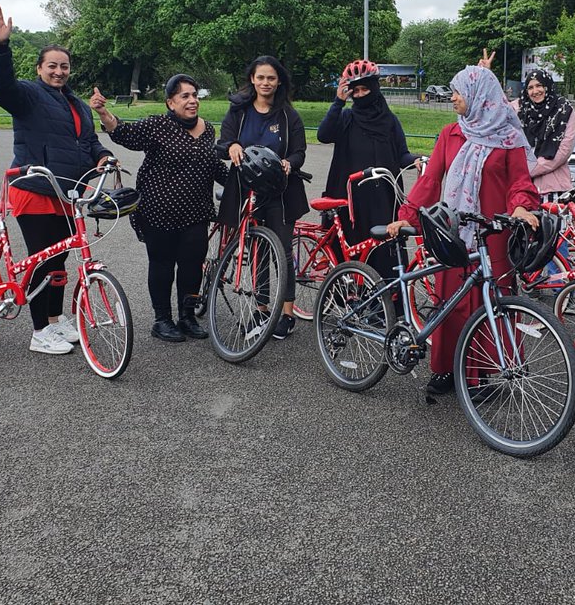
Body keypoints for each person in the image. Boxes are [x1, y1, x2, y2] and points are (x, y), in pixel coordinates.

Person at [387, 64, 541, 395]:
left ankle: (486, 372)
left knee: (493, 303)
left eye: (458, 91)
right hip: (453, 232)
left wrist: (520, 206)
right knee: (451, 301)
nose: (453, 97)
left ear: (478, 96)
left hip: (494, 234)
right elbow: (430, 181)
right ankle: (445, 369)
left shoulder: (508, 138)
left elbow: (520, 181)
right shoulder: (450, 133)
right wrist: (408, 217)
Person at [0, 5, 113, 356]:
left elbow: (87, 142)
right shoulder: (27, 94)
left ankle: (55, 320)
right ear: (40, 69)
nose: (59, 71)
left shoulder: (76, 104)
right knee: (43, 262)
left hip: (67, 193)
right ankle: (39, 331)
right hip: (35, 190)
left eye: (64, 66)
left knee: (58, 263)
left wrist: (102, 157)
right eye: (52, 66)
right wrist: (0, 48)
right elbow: (0, 87)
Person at [89, 74, 227, 343]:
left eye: (194, 95)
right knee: (162, 264)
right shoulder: (158, 125)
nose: (192, 101)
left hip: (196, 211)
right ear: (170, 102)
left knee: (191, 266)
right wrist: (103, 112)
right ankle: (162, 320)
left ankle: (187, 316)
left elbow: (211, 164)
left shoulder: (207, 129)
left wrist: (240, 180)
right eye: (185, 96)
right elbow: (125, 134)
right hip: (158, 209)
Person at [216, 56, 309, 342]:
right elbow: (224, 142)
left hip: (280, 192)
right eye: (260, 78)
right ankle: (261, 307)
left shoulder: (288, 115)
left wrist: (289, 164)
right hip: (247, 189)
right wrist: (232, 145)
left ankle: (288, 314)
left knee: (281, 251)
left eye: (271, 78)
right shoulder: (239, 111)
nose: (265, 83)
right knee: (258, 252)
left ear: (279, 81)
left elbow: (299, 151)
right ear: (252, 80)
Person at [318, 59, 419, 279]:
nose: (361, 94)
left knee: (385, 249)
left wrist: (418, 160)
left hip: (383, 197)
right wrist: (338, 102)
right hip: (350, 197)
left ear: (375, 89)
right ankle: (347, 300)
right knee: (350, 251)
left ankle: (387, 304)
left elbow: (402, 155)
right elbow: (323, 136)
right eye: (357, 90)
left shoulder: (390, 121)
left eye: (366, 89)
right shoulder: (346, 117)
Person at [512, 69, 575, 202]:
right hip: (522, 190)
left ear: (547, 86)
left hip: (553, 190)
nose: (535, 91)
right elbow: (494, 107)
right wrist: (484, 73)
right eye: (530, 87)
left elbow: (564, 151)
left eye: (539, 85)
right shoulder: (520, 108)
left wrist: (527, 170)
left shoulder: (564, 109)